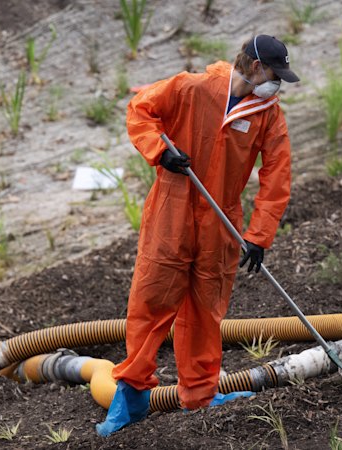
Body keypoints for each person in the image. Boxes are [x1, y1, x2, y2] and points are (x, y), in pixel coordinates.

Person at [96, 34, 298, 437]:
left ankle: (201, 394)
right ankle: (132, 396)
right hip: (172, 210)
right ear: (256, 67)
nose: (278, 83)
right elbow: (140, 109)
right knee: (151, 301)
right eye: (276, 74)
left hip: (222, 221)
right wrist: (160, 151)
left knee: (206, 310)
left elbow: (277, 176)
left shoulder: (268, 113)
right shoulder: (193, 87)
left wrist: (259, 236)